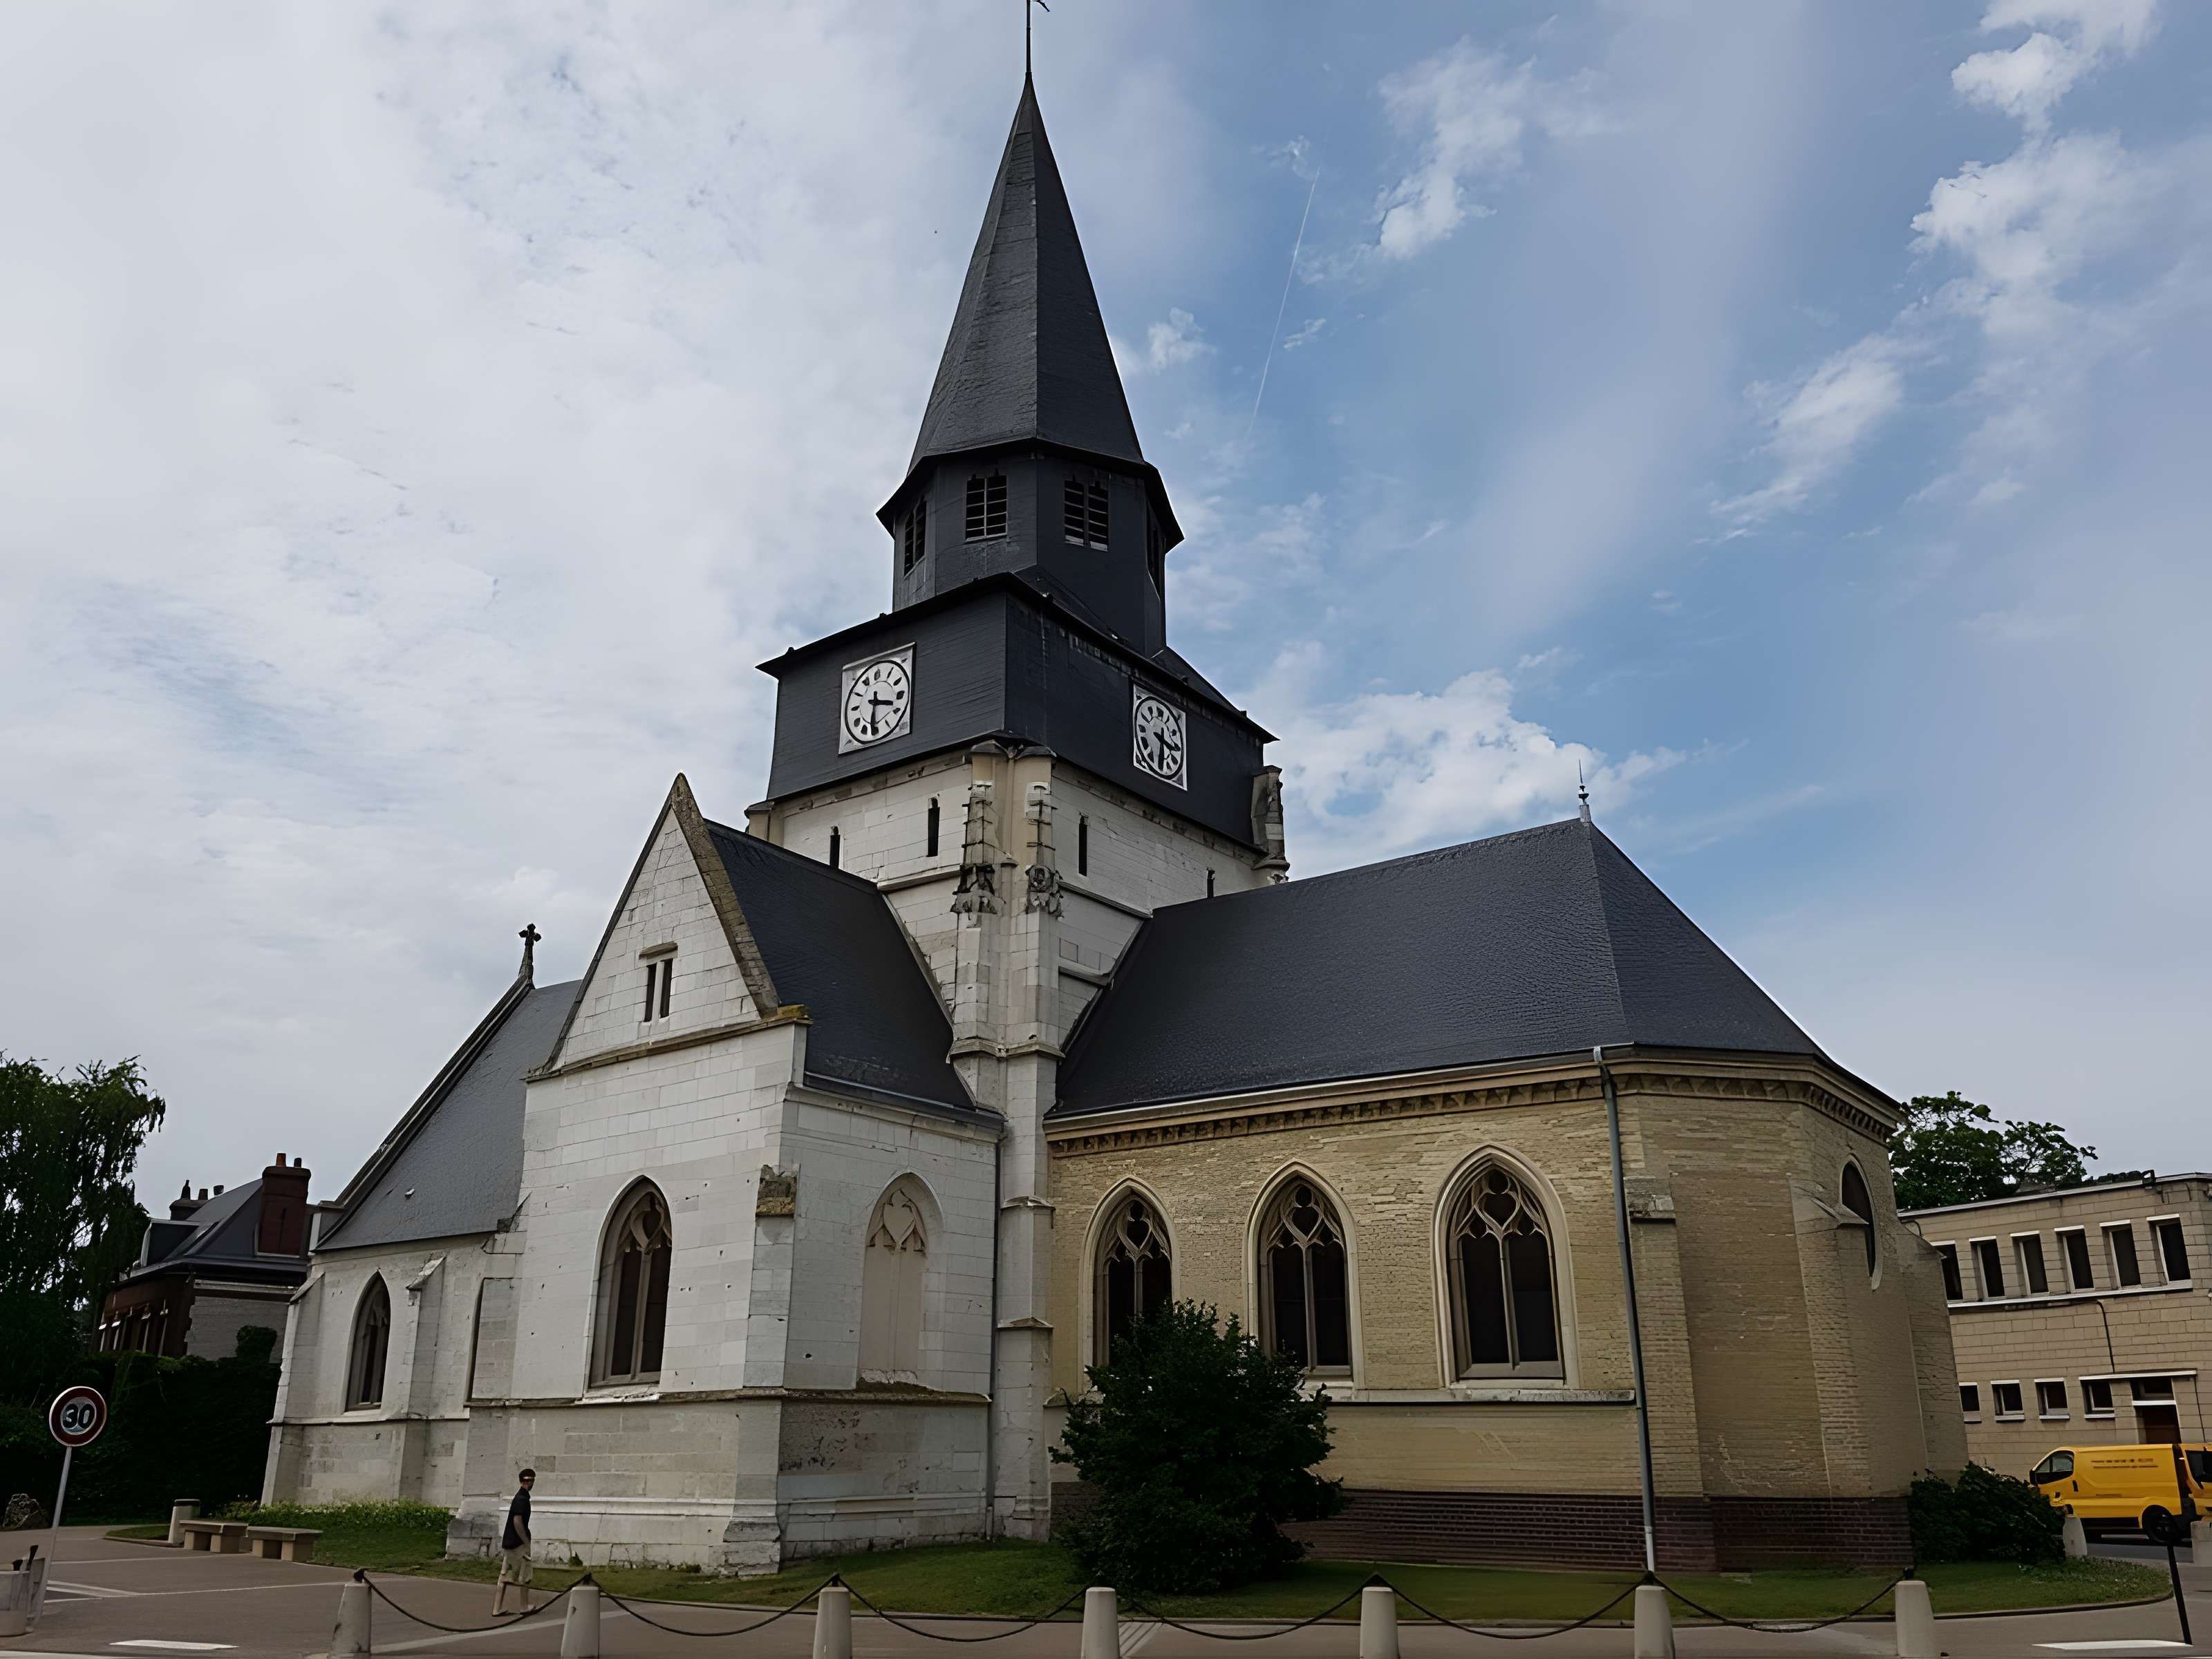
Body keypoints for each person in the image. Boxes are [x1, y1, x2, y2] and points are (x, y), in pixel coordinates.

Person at [494, 1468, 535, 1615]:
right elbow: (517, 1521)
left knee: (505, 1575)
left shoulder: (520, 1497)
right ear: (528, 1482)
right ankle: (524, 1607)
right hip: (518, 1543)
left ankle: (497, 1608)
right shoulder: (522, 1499)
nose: (532, 1484)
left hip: (509, 1541)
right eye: (531, 1481)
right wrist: (525, 1541)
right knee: (525, 1574)